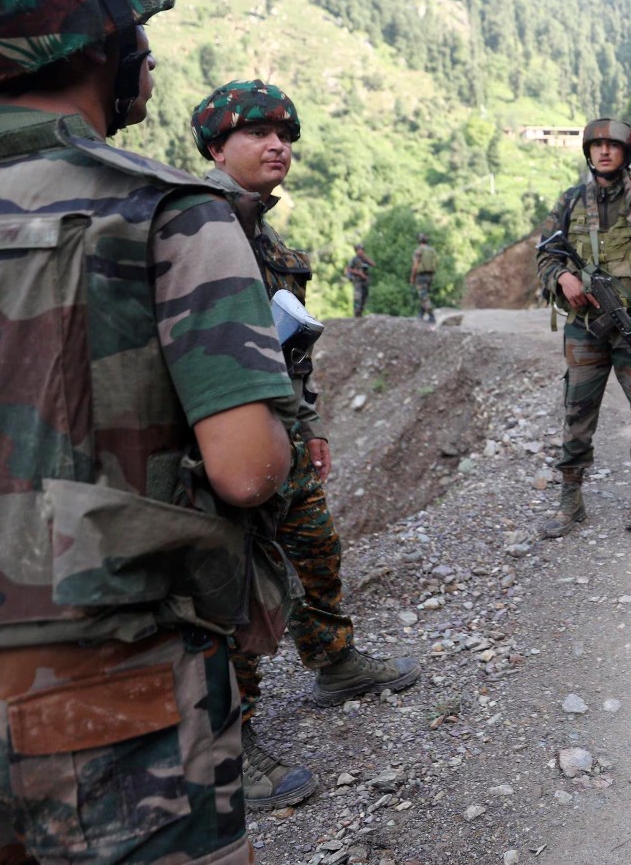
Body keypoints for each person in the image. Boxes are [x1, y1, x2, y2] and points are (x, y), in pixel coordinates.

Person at [0, 0, 294, 865]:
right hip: (101, 685)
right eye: (142, 37)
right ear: (104, 44)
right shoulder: (168, 210)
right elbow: (248, 470)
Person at [192, 80, 421, 810]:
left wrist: (309, 424)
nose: (277, 146)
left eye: (285, 135)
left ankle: (335, 663)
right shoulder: (190, 230)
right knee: (234, 589)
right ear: (214, 147)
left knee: (316, 548)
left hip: (280, 438)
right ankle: (229, 745)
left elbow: (291, 355)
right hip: (220, 446)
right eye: (257, 134)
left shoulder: (266, 242)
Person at [534, 117, 631, 535]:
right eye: (596, 145)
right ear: (588, 152)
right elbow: (545, 255)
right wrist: (562, 277)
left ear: (625, 153)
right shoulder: (570, 201)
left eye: (612, 146)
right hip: (584, 329)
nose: (603, 151)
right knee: (576, 414)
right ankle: (570, 500)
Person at [409, 232, 436, 322]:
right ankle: (421, 314)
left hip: (421, 276)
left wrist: (412, 277)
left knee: (423, 296)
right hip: (430, 275)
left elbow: (415, 265)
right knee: (424, 295)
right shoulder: (432, 250)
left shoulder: (418, 251)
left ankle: (431, 316)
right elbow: (435, 263)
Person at [346, 243, 375, 317]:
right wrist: (359, 273)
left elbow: (373, 264)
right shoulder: (354, 259)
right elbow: (348, 269)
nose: (360, 251)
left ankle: (360, 312)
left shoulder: (365, 259)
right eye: (359, 250)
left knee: (365, 297)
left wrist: (365, 258)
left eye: (362, 250)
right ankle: (356, 313)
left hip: (365, 281)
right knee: (358, 297)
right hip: (357, 281)